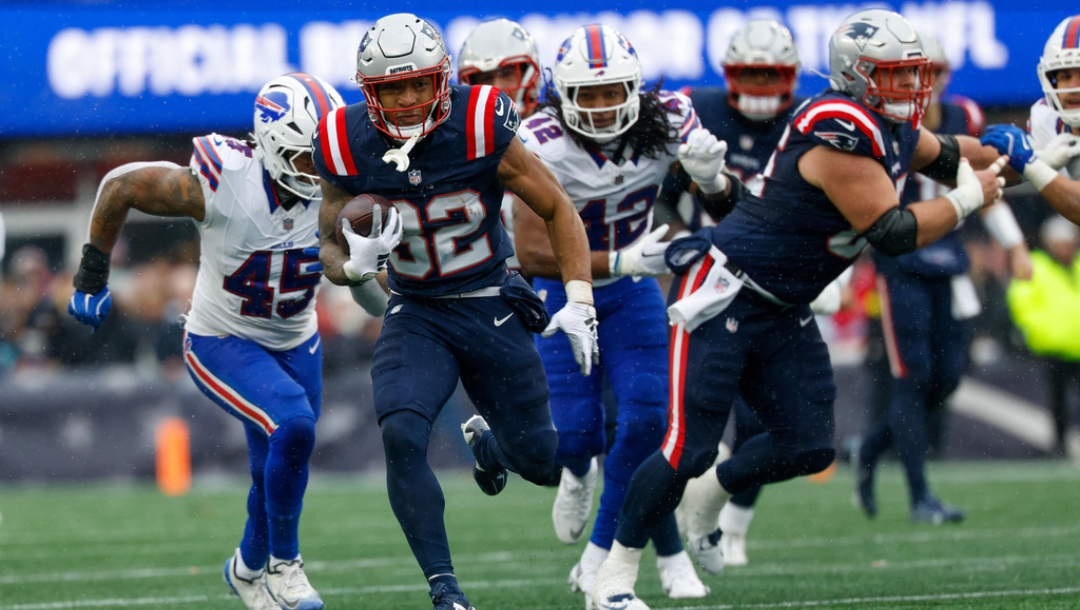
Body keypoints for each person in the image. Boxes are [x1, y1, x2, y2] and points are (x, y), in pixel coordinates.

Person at [588, 10, 1007, 609]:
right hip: (727, 291)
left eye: (915, 75)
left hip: (783, 305)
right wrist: (970, 198)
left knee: (806, 446)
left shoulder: (886, 125)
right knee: (687, 447)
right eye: (896, 76)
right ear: (857, 77)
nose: (913, 89)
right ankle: (614, 579)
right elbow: (890, 228)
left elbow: (945, 154)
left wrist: (1015, 155)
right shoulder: (837, 127)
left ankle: (714, 493)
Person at [311, 14, 598, 610]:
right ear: (371, 93)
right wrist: (356, 265)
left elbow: (556, 206)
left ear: (443, 78)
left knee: (545, 464)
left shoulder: (479, 121)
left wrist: (580, 298)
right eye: (393, 88)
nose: (410, 99)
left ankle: (492, 448)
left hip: (490, 299)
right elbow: (329, 247)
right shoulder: (344, 139)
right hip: (416, 309)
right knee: (401, 432)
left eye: (420, 83)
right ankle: (446, 590)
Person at [67, 72, 345, 610]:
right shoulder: (224, 180)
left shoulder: (342, 185)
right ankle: (286, 565)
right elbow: (121, 184)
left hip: (298, 340)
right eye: (306, 155)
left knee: (280, 463)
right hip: (223, 338)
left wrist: (372, 279)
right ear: (271, 146)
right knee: (293, 422)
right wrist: (92, 274)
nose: (321, 168)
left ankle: (246, 568)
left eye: (325, 153)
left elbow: (367, 288)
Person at [513, 23, 735, 606]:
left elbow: (729, 208)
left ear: (634, 89)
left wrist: (713, 180)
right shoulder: (539, 140)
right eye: (589, 94)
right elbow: (532, 251)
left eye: (614, 91)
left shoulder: (668, 121)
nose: (604, 105)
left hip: (634, 293)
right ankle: (578, 473)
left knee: (646, 420)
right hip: (565, 295)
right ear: (562, 96)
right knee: (579, 433)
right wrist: (620, 257)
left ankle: (602, 560)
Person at [854, 30, 1032, 525]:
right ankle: (919, 497)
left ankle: (868, 449)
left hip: (948, 262)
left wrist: (1013, 243)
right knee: (912, 381)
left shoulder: (963, 118)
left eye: (934, 72)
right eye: (917, 71)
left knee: (946, 378)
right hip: (902, 261)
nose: (925, 83)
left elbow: (986, 186)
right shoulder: (878, 125)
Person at [655, 19, 804, 567]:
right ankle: (675, 527)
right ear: (729, 74)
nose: (762, 85)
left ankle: (733, 522)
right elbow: (664, 199)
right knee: (697, 415)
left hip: (774, 285)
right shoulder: (701, 111)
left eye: (772, 74)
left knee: (767, 419)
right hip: (705, 282)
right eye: (751, 73)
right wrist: (678, 243)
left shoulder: (810, 123)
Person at [457, 17, 544, 272]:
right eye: (484, 77)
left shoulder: (557, 136)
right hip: (481, 285)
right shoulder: (456, 141)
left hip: (550, 275)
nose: (496, 88)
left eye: (507, 74)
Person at [980, 15, 1080, 223]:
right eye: (1064, 76)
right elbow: (992, 174)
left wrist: (1033, 165)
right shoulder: (1047, 118)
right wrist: (1035, 161)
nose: (1073, 86)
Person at [1006, 214, 1080, 457]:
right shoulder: (1035, 265)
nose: (1066, 247)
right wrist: (1042, 333)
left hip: (1076, 346)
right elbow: (1022, 303)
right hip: (1054, 347)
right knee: (1057, 400)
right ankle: (1059, 445)